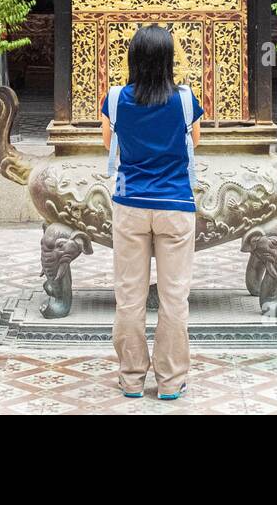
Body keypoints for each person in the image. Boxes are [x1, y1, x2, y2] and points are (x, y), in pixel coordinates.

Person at [100, 24, 203, 401]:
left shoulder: (115, 98)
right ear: (168, 59)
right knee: (175, 298)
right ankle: (171, 382)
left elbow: (109, 141)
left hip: (129, 204)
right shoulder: (186, 100)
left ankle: (130, 379)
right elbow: (195, 141)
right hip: (176, 204)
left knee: (129, 297)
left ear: (133, 58)